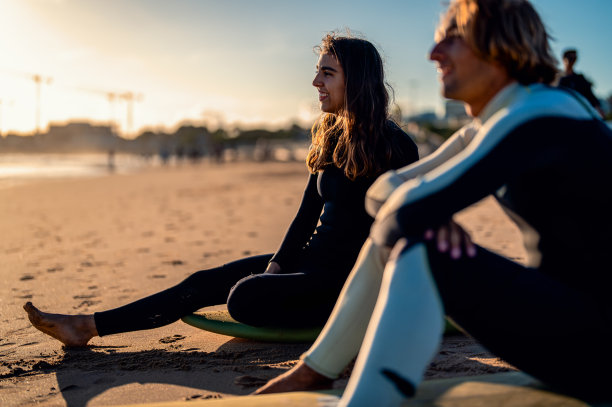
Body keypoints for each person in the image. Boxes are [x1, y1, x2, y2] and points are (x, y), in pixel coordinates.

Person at [255, 0, 612, 405]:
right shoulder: (515, 114)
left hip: (597, 351)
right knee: (409, 233)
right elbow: (385, 191)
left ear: (500, 47)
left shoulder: (536, 118)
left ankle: (361, 398)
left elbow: (399, 216)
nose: (433, 53)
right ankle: (316, 370)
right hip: (576, 326)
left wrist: (419, 212)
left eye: (452, 39)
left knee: (419, 246)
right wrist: (418, 210)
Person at [23, 33, 419, 348]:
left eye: (327, 73)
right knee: (203, 281)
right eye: (318, 71)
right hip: (311, 261)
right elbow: (305, 218)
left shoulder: (397, 147)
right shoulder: (332, 137)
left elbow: (410, 227)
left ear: (357, 78)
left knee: (243, 298)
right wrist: (279, 265)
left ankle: (334, 308)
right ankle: (86, 326)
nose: (315, 82)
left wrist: (385, 296)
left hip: (350, 280)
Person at [558, 48, 605, 118]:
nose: (573, 61)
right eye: (570, 58)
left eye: (575, 58)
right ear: (563, 59)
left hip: (581, 115)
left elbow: (590, 96)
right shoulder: (556, 80)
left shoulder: (580, 79)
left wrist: (598, 109)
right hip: (563, 115)